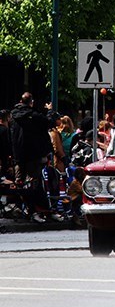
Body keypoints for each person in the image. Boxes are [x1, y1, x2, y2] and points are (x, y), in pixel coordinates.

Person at [10, 92, 59, 223]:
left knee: (20, 184)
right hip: (34, 156)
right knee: (35, 184)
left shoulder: (14, 116)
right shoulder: (34, 116)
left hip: (19, 156)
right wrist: (49, 111)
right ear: (31, 102)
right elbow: (49, 122)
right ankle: (38, 209)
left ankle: (25, 208)